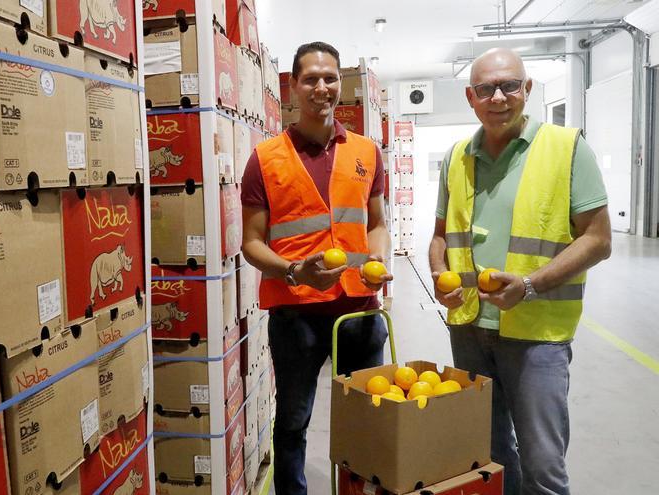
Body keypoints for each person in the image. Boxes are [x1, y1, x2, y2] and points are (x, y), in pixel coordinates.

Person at [429, 48, 612, 495]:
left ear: (527, 89)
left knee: (543, 464)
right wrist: (438, 274)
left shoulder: (567, 149)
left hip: (537, 336)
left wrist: (530, 285)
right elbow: (439, 236)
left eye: (510, 85)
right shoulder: (457, 157)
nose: (499, 97)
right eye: (487, 88)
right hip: (470, 329)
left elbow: (598, 239)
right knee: (489, 454)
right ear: (471, 97)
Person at [240, 41, 392, 495]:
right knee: (292, 420)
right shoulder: (265, 159)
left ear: (339, 85)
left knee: (368, 420)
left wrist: (378, 257)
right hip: (296, 315)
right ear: (292, 87)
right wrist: (293, 272)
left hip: (359, 311)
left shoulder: (367, 151)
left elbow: (379, 223)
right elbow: (250, 243)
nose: (321, 87)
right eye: (311, 79)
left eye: (330, 78)